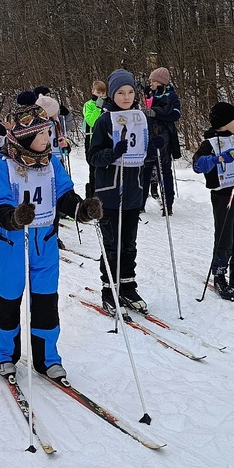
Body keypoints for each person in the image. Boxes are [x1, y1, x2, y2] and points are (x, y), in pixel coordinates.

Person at [0, 93, 102, 379]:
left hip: (45, 244)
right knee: (8, 299)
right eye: (41, 133)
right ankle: (5, 353)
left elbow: (64, 194)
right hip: (12, 244)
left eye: (48, 132)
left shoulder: (52, 163)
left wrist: (82, 209)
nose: (47, 137)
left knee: (45, 302)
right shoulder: (4, 166)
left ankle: (46, 357)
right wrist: (14, 218)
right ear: (26, 137)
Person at [88, 69, 160, 313]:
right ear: (112, 94)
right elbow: (93, 157)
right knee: (112, 244)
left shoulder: (141, 118)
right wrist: (113, 153)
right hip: (110, 192)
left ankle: (128, 286)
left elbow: (144, 153)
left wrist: (155, 148)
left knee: (129, 242)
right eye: (120, 92)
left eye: (130, 91)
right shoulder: (104, 120)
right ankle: (109, 289)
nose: (126, 96)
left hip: (133, 191)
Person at [192, 102, 234, 301]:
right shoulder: (210, 143)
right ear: (225, 122)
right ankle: (219, 275)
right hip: (223, 195)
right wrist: (218, 159)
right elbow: (197, 164)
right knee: (225, 236)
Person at [140, 66, 181, 216]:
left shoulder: (171, 95)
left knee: (164, 171)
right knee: (145, 171)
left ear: (160, 82)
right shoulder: (150, 94)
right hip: (149, 136)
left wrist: (156, 114)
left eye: (152, 80)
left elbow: (175, 115)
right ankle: (140, 203)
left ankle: (168, 203)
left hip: (163, 137)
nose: (150, 83)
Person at [82, 80, 107, 198]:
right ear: (93, 91)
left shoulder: (107, 104)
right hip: (92, 140)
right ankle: (92, 196)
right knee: (93, 169)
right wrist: (98, 108)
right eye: (98, 92)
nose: (101, 95)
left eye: (103, 93)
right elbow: (91, 121)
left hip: (105, 141)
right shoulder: (88, 105)